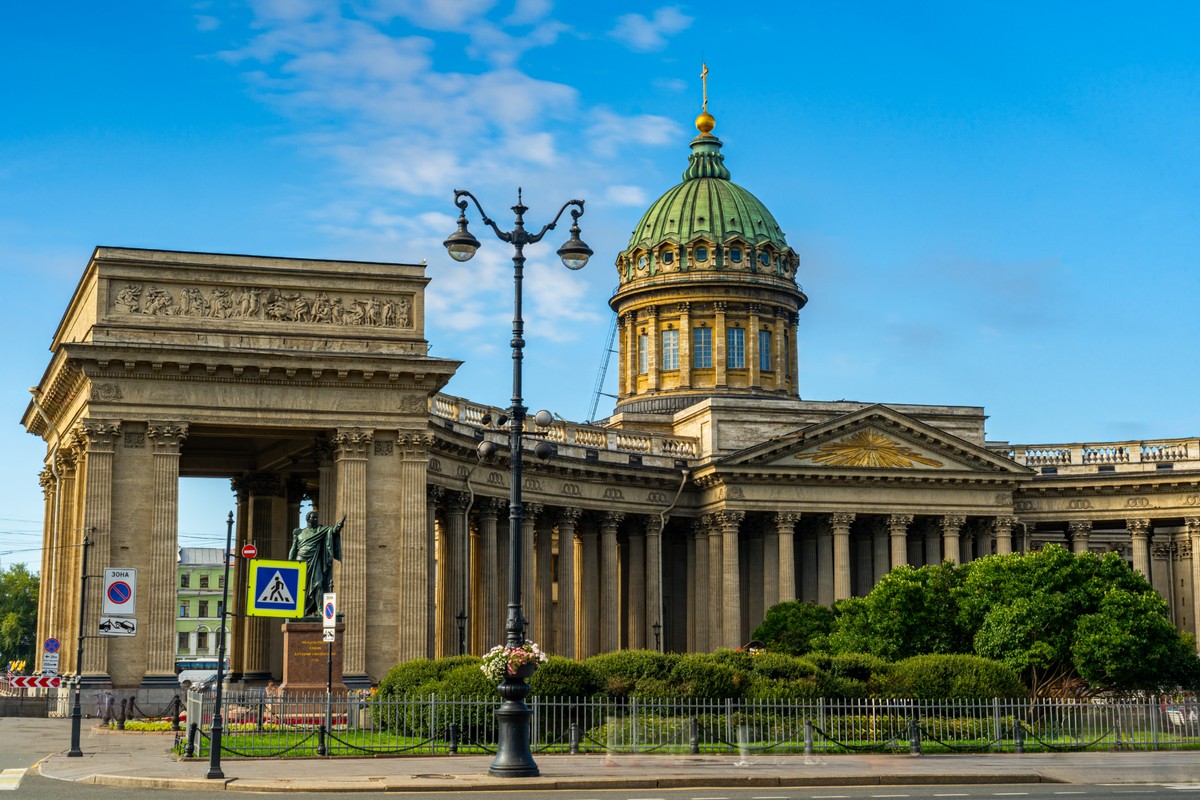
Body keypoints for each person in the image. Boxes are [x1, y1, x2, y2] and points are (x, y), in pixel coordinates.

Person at [287, 511, 346, 617]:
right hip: (301, 562)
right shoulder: (299, 532)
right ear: (307, 519)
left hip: (315, 560)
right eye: (313, 518)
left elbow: (332, 531)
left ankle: (321, 609)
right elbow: (294, 548)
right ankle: (303, 609)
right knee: (302, 586)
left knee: (318, 584)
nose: (315, 519)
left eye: (316, 518)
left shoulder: (321, 530)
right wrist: (289, 563)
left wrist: (338, 526)